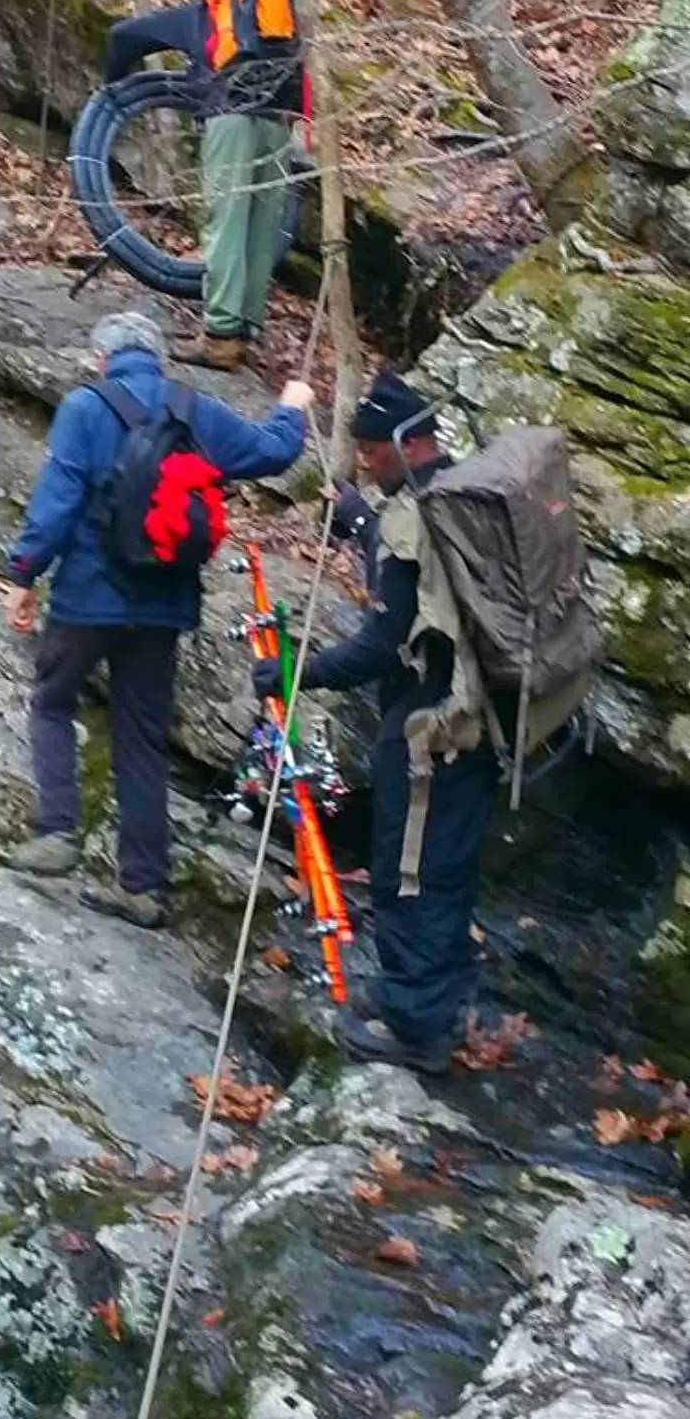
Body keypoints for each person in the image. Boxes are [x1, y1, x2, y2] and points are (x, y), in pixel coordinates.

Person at [4, 309, 313, 928]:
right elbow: (274, 453)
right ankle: (145, 888)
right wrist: (293, 404)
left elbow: (57, 502)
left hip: (88, 597)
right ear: (158, 358)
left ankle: (58, 832)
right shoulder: (194, 409)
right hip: (163, 604)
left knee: (52, 700)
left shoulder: (85, 408)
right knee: (142, 739)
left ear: (102, 358)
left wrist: (21, 576)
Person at [253, 370, 499, 1074]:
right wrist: (361, 518)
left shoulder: (416, 516)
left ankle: (419, 1032)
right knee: (445, 866)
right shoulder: (458, 492)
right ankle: (430, 999)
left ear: (407, 441)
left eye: (370, 449)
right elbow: (416, 585)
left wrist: (294, 676)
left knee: (408, 874)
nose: (363, 459)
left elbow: (381, 640)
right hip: (479, 720)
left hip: (434, 729)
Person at [103, 0, 307, 374]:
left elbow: (124, 36)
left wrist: (110, 89)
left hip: (230, 115)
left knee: (227, 221)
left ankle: (219, 336)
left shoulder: (210, 9)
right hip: (278, 121)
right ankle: (244, 332)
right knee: (260, 225)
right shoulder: (276, 9)